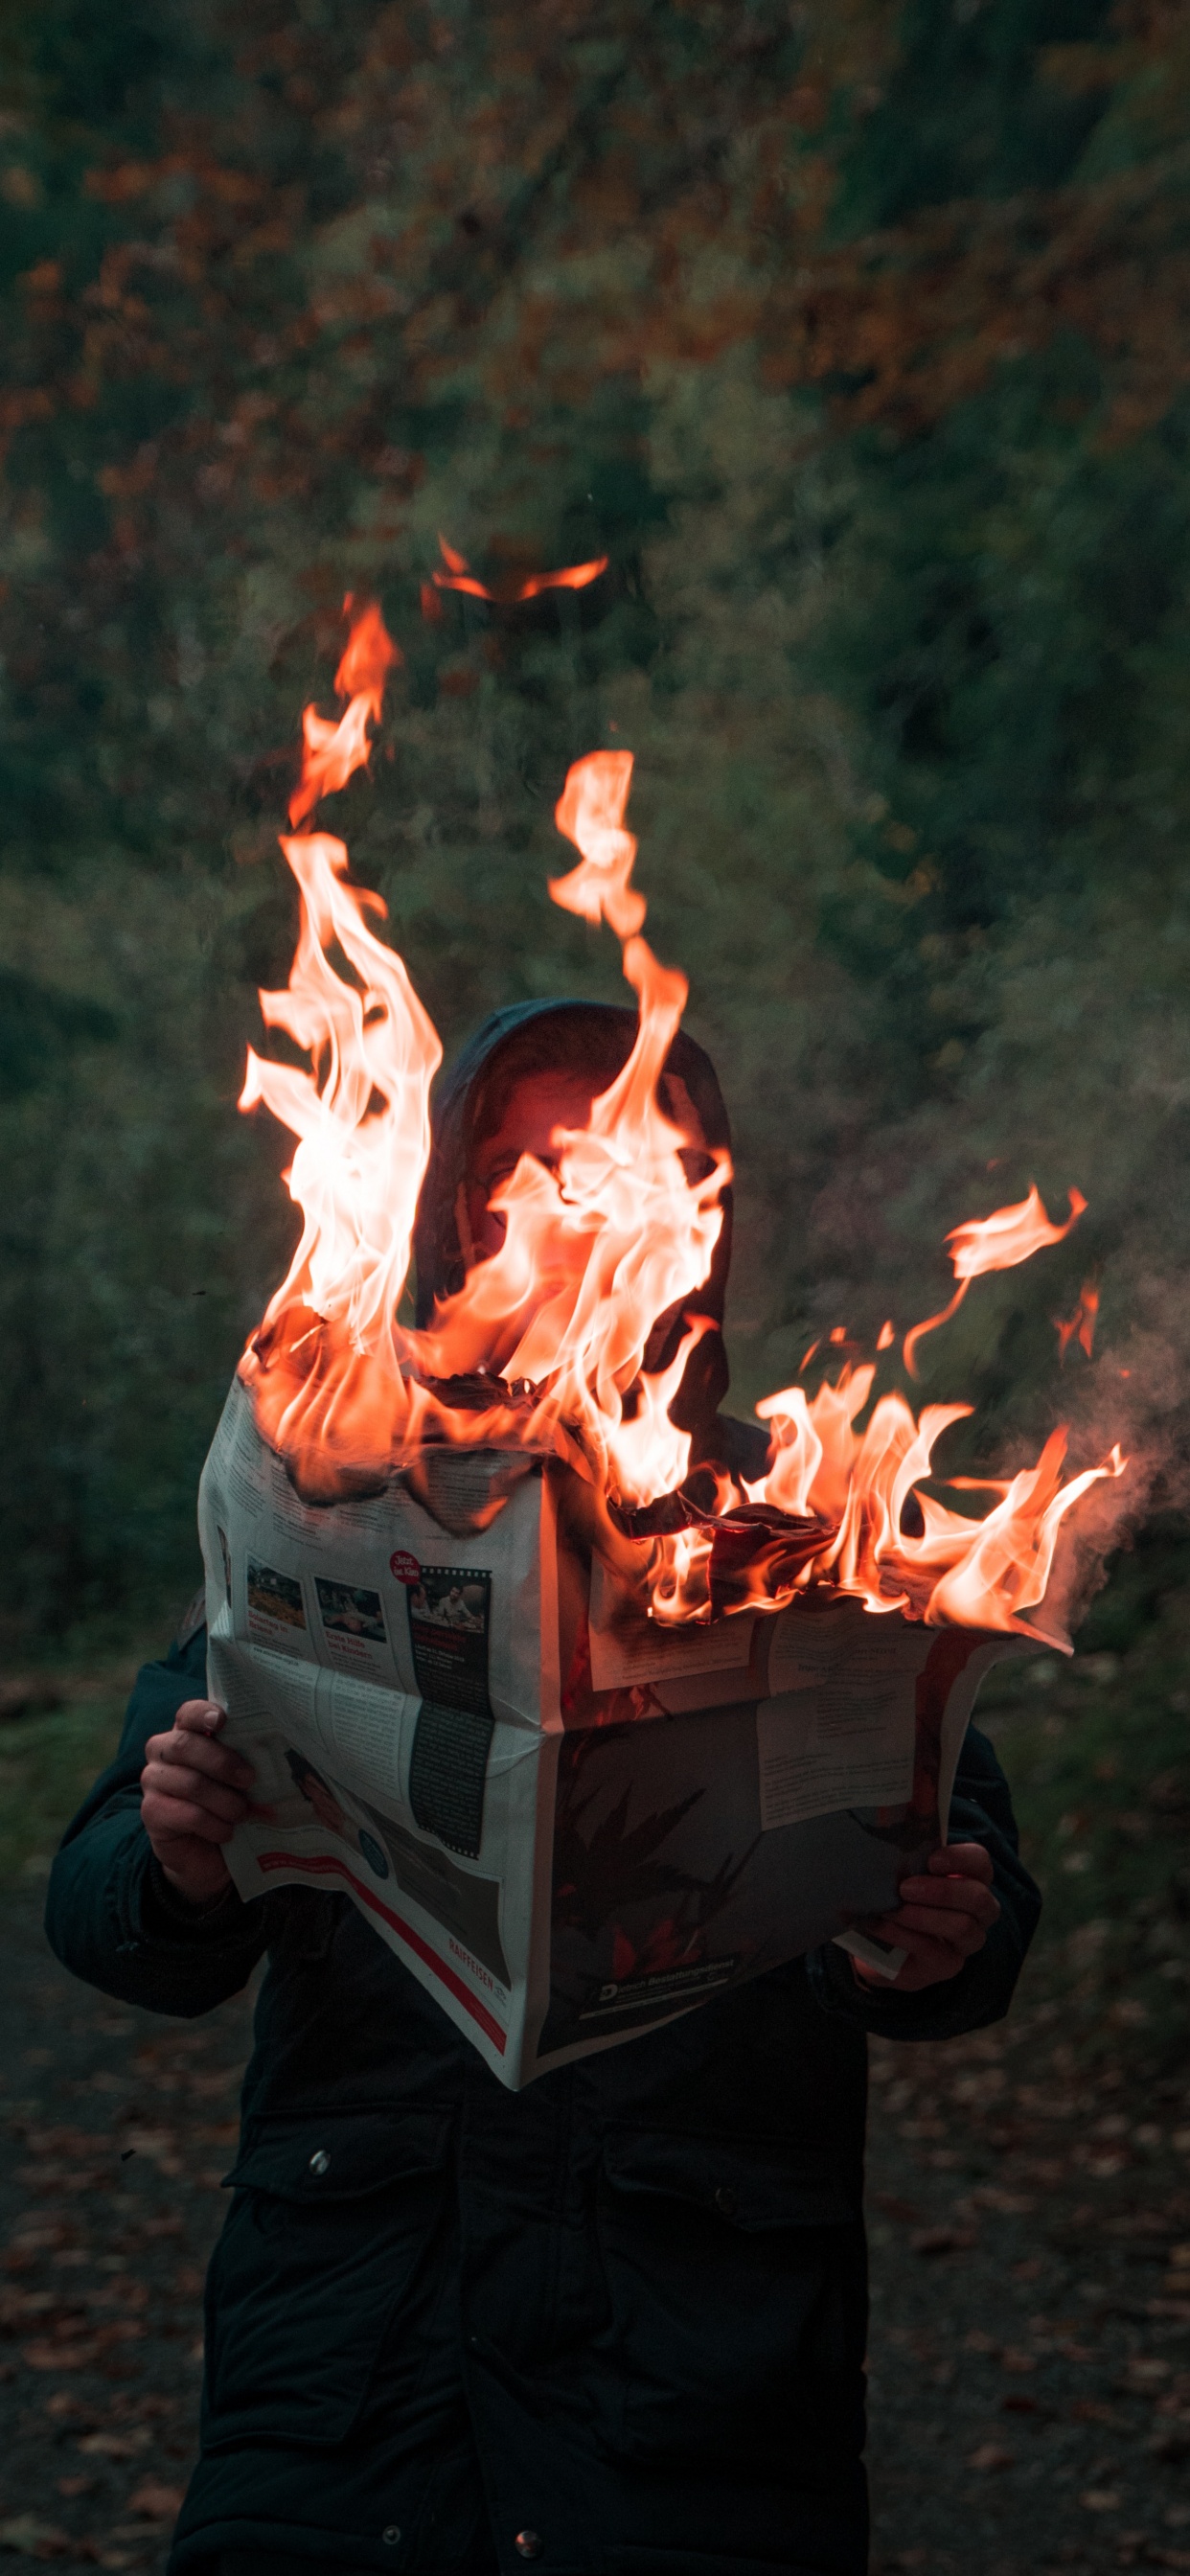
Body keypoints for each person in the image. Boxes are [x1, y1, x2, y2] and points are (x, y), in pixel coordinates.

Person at [45, 1000, 1041, 2576]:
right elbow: (97, 1912)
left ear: (690, 1209)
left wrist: (933, 1934)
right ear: (448, 1207)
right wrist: (170, 1858)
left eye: (601, 1170)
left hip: (694, 2389)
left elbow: (964, 1896)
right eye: (510, 1172)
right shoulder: (330, 1489)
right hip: (355, 2379)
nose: (549, 1216)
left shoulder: (796, 1527)